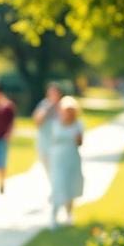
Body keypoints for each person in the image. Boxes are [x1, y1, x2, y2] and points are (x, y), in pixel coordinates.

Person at [49, 96, 85, 228]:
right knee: (58, 186)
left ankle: (69, 214)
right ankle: (53, 216)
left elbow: (80, 142)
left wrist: (77, 137)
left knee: (70, 187)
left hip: (72, 158)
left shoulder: (78, 124)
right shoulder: (55, 123)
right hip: (58, 159)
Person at [32, 83, 62, 173]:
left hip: (58, 145)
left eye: (55, 93)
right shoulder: (44, 104)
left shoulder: (63, 106)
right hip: (44, 144)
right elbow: (37, 122)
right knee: (49, 170)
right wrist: (47, 108)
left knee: (57, 171)